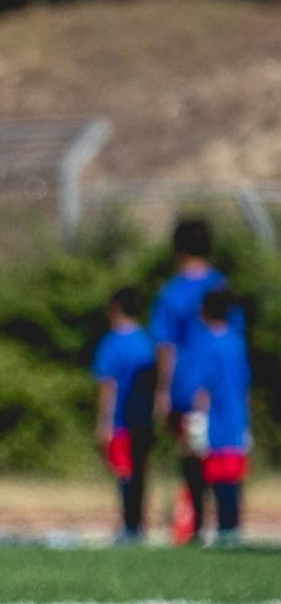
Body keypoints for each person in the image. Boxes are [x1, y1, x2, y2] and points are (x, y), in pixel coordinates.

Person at [149, 218, 240, 539]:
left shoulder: (172, 292)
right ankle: (226, 526)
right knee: (224, 452)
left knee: (192, 453)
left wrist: (162, 390)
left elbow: (166, 345)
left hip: (187, 385)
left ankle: (199, 523)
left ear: (177, 249)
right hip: (224, 391)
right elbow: (235, 337)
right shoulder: (222, 285)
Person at [183, 289, 251, 546]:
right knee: (232, 477)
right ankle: (231, 527)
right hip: (236, 418)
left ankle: (213, 528)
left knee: (213, 475)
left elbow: (203, 388)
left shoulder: (206, 344)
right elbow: (244, 385)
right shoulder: (236, 342)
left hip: (216, 420)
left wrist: (197, 420)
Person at [92, 287, 157, 543]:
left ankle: (129, 526)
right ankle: (138, 523)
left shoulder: (112, 342)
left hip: (121, 419)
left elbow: (108, 385)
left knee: (124, 473)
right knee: (141, 472)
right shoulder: (148, 341)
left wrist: (103, 422)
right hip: (144, 418)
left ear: (116, 309)